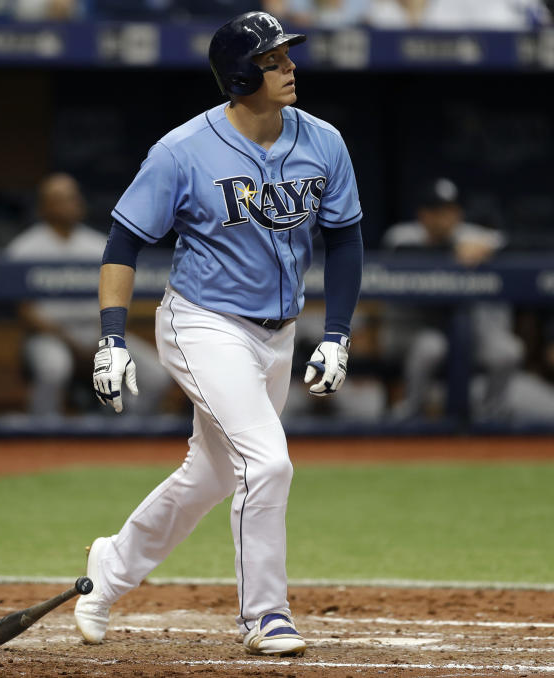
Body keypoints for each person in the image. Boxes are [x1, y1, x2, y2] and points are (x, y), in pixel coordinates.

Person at [75, 11, 363, 657]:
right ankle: (266, 615)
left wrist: (337, 333)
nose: (290, 68)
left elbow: (344, 239)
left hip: (278, 331)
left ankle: (111, 567)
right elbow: (125, 241)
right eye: (274, 60)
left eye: (288, 56)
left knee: (211, 473)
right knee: (267, 462)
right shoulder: (182, 150)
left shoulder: (324, 141)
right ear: (241, 74)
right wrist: (113, 337)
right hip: (203, 322)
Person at [6, 173, 172, 416]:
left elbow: (121, 296)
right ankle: (42, 432)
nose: (71, 203)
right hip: (49, 335)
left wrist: (108, 334)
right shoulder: (24, 248)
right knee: (53, 367)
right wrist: (68, 340)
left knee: (157, 375)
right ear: (43, 207)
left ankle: (124, 429)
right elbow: (23, 310)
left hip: (99, 332)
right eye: (61, 199)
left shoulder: (100, 245)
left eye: (74, 197)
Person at [381, 177, 524, 420]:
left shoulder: (469, 235)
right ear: (423, 214)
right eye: (437, 211)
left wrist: (489, 247)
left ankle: (490, 417)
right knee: (431, 346)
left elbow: (514, 243)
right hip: (412, 329)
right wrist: (450, 253)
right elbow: (399, 251)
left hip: (463, 332)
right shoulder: (403, 236)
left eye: (450, 210)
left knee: (508, 350)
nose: (445, 218)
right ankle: (411, 413)